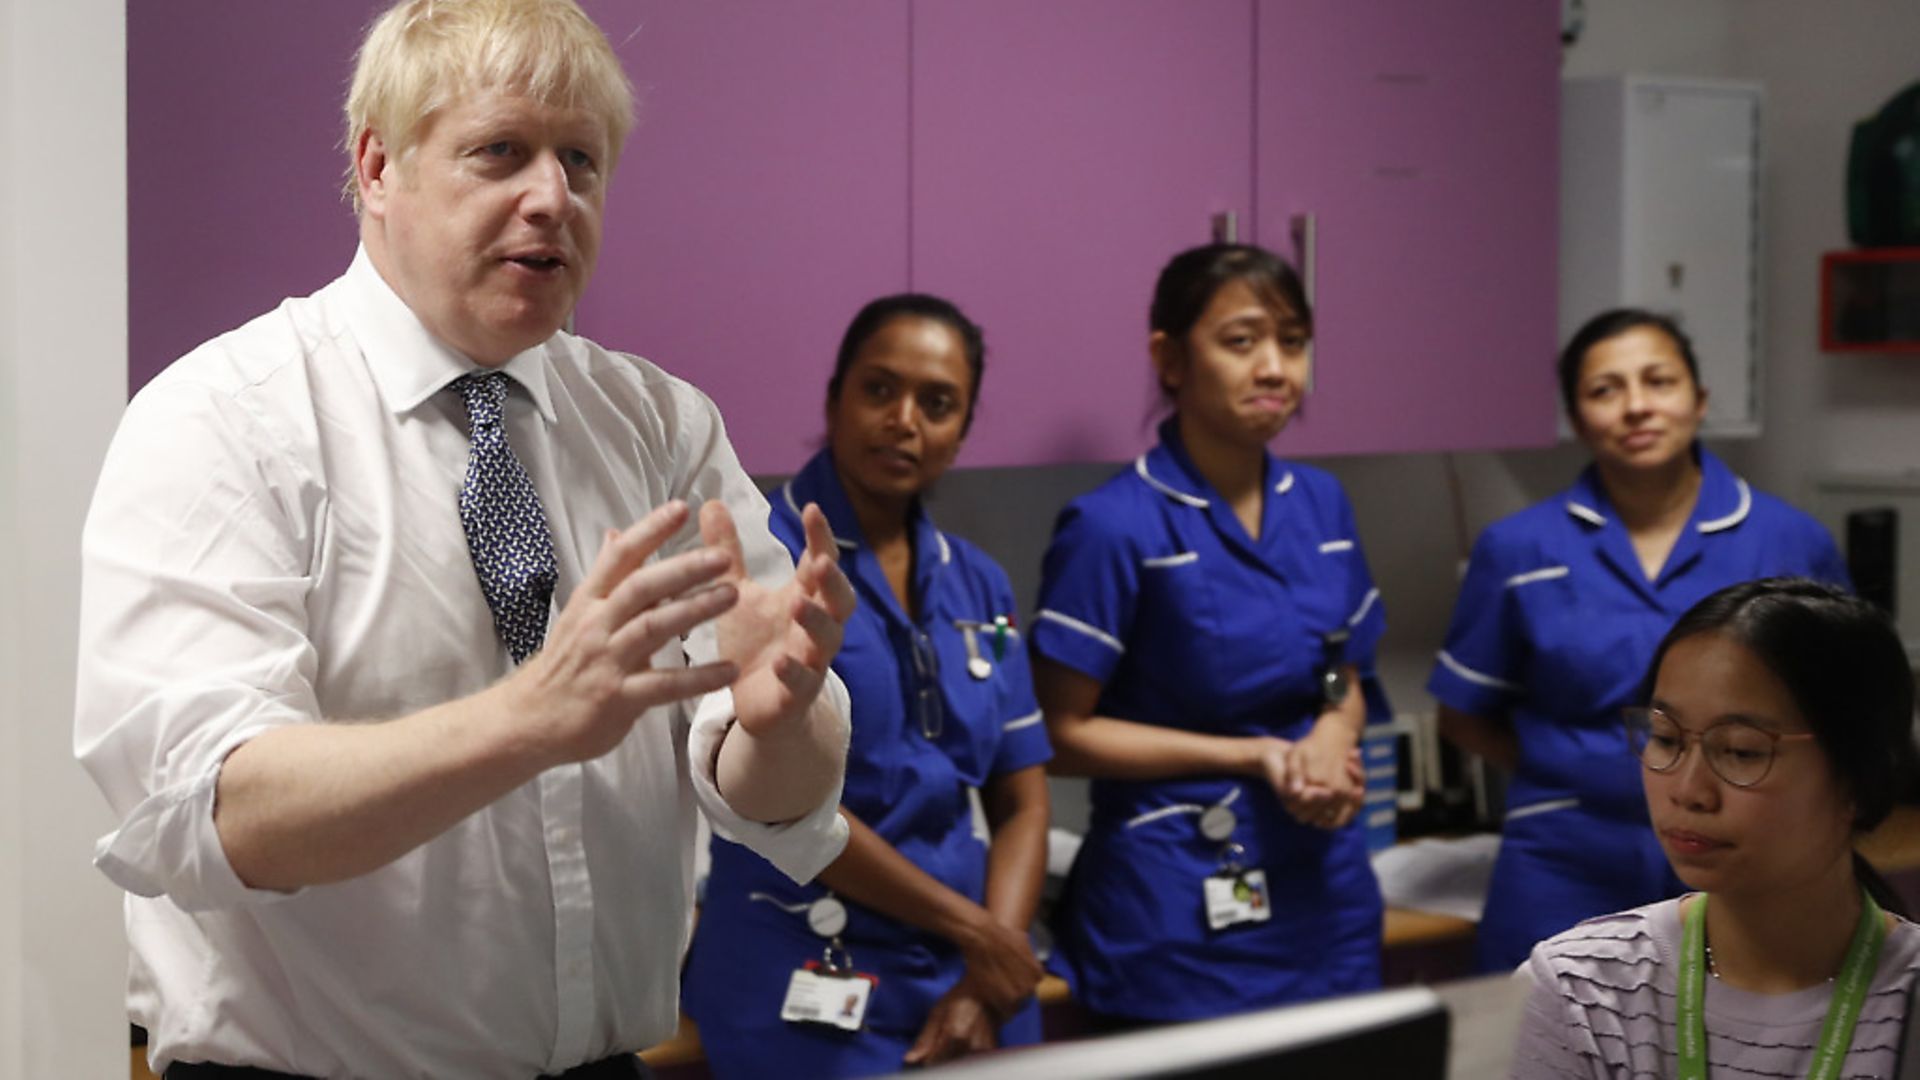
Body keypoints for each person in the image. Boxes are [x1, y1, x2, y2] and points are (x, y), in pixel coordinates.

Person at [73, 3, 858, 1077]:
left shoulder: (659, 425)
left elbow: (772, 797)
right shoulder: (225, 419)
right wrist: (526, 721)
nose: (552, 198)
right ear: (379, 166)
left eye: (581, 161)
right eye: (501, 151)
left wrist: (780, 720)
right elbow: (216, 811)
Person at [682, 295, 1053, 1077]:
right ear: (834, 398)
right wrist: (978, 934)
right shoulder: (760, 566)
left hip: (970, 979)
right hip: (800, 975)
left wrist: (993, 967)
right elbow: (786, 808)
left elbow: (1022, 796)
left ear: (963, 428)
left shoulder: (977, 582)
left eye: (938, 402)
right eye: (880, 389)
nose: (904, 419)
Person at [1028, 243, 1388, 1025]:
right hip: (1175, 909)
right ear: (1170, 358)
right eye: (1241, 341)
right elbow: (1058, 736)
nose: (1274, 368)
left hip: (1324, 902)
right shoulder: (1113, 526)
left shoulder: (1323, 506)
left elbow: (1343, 668)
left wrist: (1333, 730)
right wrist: (1254, 755)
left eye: (1291, 342)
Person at [1428, 309, 1850, 973]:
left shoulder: (1790, 542)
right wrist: (1569, 768)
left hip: (1746, 852)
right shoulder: (1519, 549)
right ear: (1575, 414)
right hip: (1564, 855)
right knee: (1532, 1052)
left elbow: (1843, 711)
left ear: (1699, 399)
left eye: (1658, 381)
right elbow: (1462, 713)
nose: (1636, 407)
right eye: (1605, 390)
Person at [1513, 577, 1920, 1078]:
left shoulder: (1906, 1003)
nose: (1688, 790)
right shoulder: (1579, 994)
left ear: (1859, 778)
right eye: (1665, 738)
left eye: (1742, 751)